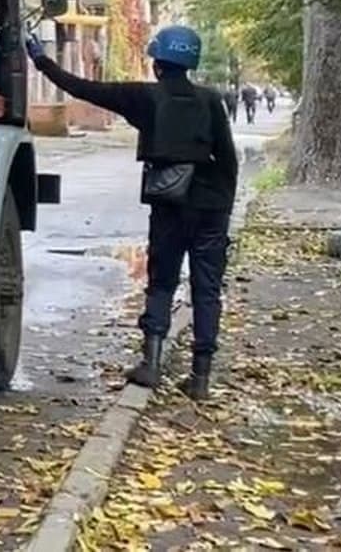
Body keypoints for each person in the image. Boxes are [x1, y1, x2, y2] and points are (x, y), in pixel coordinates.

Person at [26, 25, 238, 399]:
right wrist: (223, 209)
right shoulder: (210, 100)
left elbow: (83, 88)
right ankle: (201, 378)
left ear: (158, 64)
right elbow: (228, 160)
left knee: (162, 282)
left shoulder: (144, 97)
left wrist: (41, 60)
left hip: (169, 206)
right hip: (212, 209)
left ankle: (151, 365)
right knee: (207, 290)